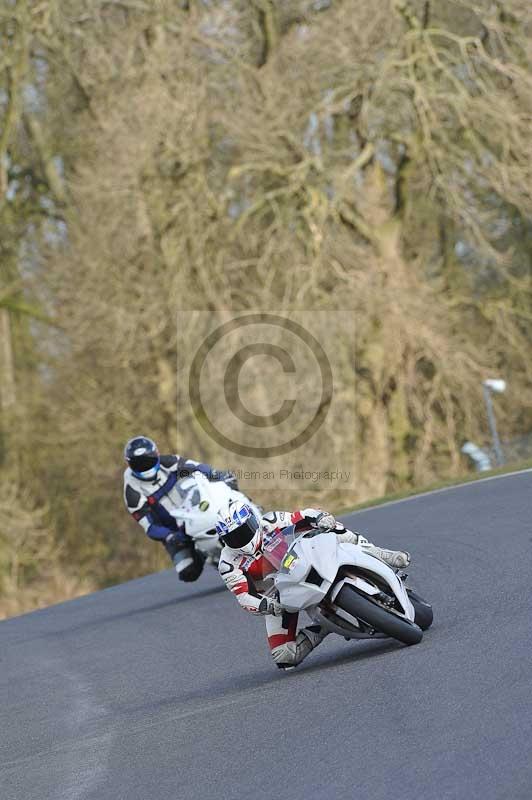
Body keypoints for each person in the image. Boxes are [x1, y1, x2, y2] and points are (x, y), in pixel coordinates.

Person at [216, 501, 410, 670]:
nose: (240, 540)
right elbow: (243, 596)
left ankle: (380, 553)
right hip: (280, 594)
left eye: (242, 531)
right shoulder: (228, 563)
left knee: (335, 529)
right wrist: (267, 605)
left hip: (307, 558)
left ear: (252, 521)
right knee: (284, 656)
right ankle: (326, 624)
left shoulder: (271, 521)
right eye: (232, 537)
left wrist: (320, 517)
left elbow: (302, 516)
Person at [123, 436, 237, 581]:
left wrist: (219, 476)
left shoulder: (169, 463)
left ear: (157, 454)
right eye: (139, 463)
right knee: (188, 572)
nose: (145, 466)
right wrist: (169, 536)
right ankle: (201, 554)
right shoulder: (132, 491)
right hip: (174, 532)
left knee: (228, 498)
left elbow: (198, 468)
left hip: (195, 510)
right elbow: (149, 527)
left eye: (147, 460)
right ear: (129, 464)